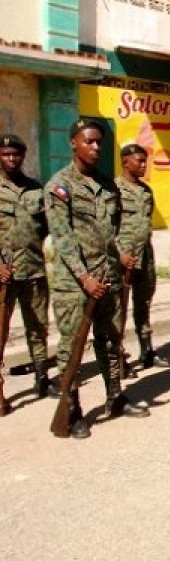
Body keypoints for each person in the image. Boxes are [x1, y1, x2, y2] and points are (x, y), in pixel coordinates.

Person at [45, 119, 150, 439]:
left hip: (108, 277)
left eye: (99, 142)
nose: (95, 147)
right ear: (73, 143)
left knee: (110, 340)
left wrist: (117, 259)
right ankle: (72, 407)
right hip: (74, 283)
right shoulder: (59, 185)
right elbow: (62, 239)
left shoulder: (108, 185)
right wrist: (83, 276)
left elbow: (113, 230)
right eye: (88, 141)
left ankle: (115, 396)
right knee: (72, 345)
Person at [0, 134, 59, 403]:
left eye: (16, 154)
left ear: (23, 156)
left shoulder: (36, 190)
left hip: (33, 272)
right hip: (4, 275)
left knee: (38, 328)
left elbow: (47, 228)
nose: (12, 159)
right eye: (6, 154)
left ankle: (41, 377)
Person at [115, 144, 170, 372]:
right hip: (123, 259)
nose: (143, 165)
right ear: (125, 162)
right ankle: (117, 357)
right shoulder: (114, 190)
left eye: (145, 161)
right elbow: (109, 227)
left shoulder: (146, 191)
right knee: (118, 310)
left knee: (144, 304)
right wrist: (119, 254)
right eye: (138, 161)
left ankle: (146, 350)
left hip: (144, 256)